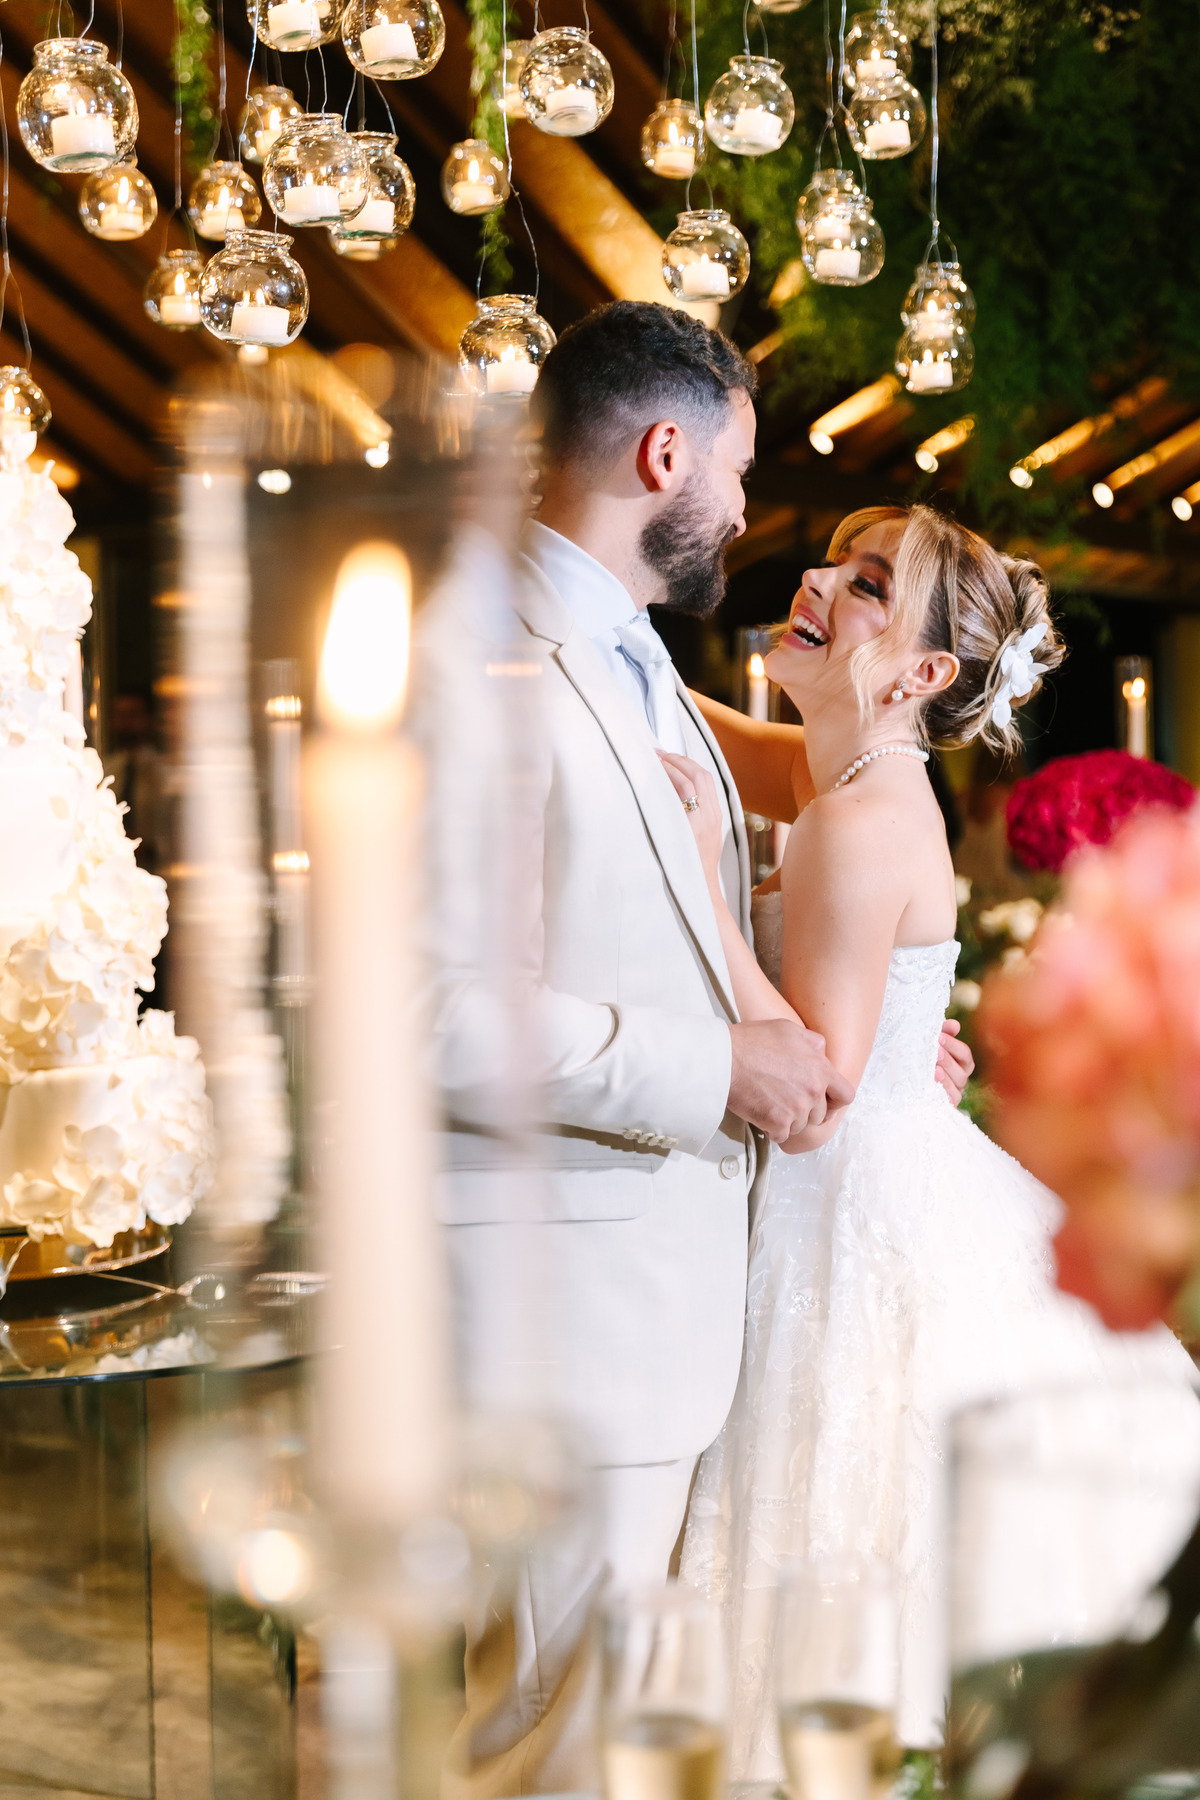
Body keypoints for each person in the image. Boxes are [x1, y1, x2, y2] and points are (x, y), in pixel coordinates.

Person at [435, 309, 973, 1797]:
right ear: (666, 456)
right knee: (547, 1756)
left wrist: (890, 1041)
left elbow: (748, 857)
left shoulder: (636, 658)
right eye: (736, 472)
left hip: (687, 1318)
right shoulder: (475, 654)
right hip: (568, 1327)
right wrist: (725, 1065)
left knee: (625, 1750)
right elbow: (427, 1013)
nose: (746, 515)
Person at [660, 504, 1199, 1773]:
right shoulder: (853, 776)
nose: (815, 583)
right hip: (899, 1158)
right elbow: (723, 738)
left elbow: (819, 1092)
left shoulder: (854, 817)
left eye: (865, 586)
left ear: (921, 673)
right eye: (835, 563)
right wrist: (614, 656)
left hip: (848, 1199)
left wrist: (703, 883)